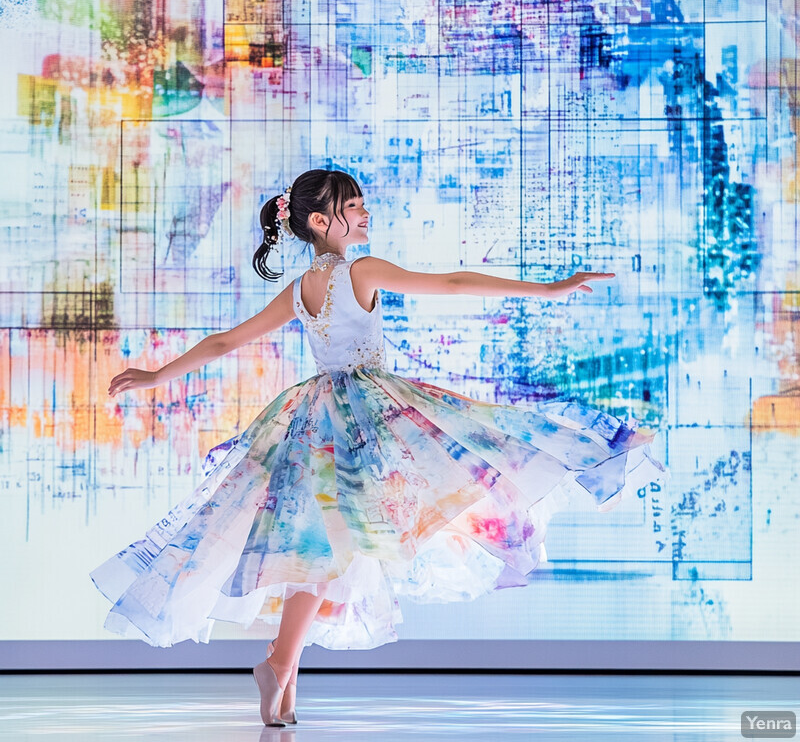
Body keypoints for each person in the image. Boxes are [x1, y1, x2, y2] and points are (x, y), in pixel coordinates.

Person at [91, 168, 668, 727]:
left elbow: (224, 343)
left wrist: (157, 376)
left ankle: (280, 669)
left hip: (315, 423)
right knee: (389, 511)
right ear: (321, 220)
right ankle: (277, 665)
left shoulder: (300, 291)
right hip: (366, 419)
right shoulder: (359, 270)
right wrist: (547, 287)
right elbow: (453, 283)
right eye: (354, 204)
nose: (366, 211)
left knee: (325, 547)